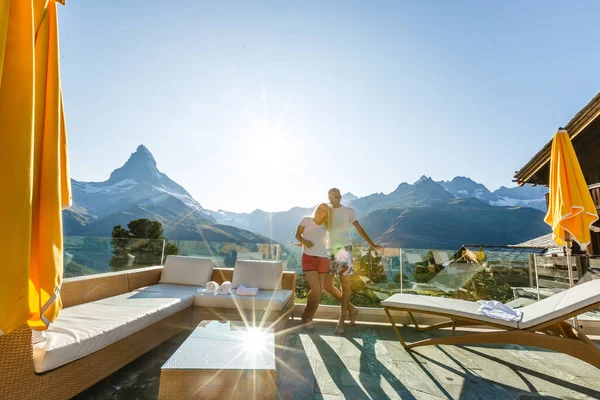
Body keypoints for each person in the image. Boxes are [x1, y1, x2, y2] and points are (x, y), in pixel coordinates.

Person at [323, 188, 383, 334]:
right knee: (327, 285)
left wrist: (372, 243)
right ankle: (351, 308)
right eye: (330, 196)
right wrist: (306, 240)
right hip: (330, 250)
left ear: (340, 196)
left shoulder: (348, 211)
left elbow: (359, 228)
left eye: (334, 196)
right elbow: (319, 229)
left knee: (345, 285)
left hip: (343, 250)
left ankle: (341, 321)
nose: (332, 198)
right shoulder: (327, 211)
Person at [295, 203, 330, 329]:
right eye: (320, 208)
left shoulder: (327, 225)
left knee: (318, 290)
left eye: (324, 211)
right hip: (308, 258)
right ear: (316, 209)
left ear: (327, 214)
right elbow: (297, 235)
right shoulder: (306, 220)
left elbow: (327, 240)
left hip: (322, 259)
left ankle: (309, 318)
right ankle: (306, 314)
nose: (321, 211)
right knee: (316, 289)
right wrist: (304, 242)